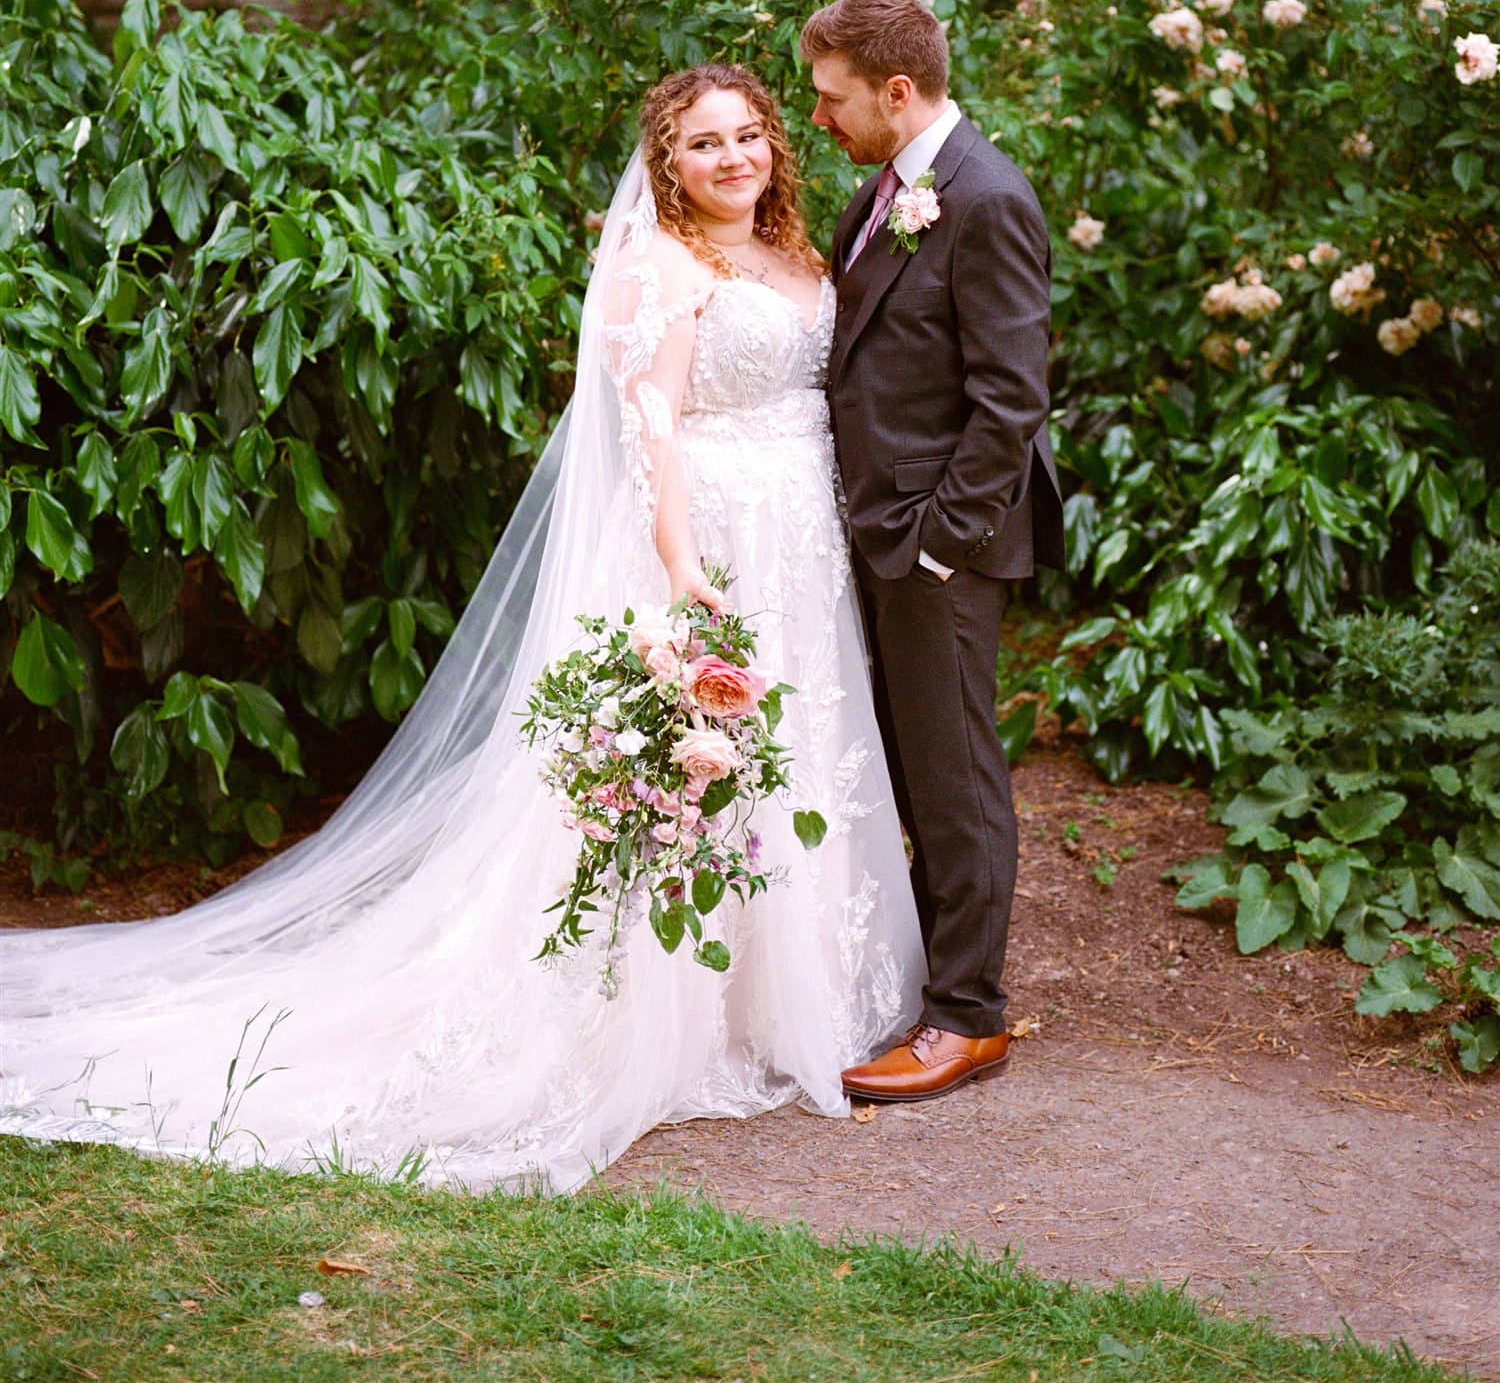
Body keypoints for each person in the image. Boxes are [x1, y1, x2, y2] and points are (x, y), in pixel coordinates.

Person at [0, 65, 921, 1192]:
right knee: (700, 761)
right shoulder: (658, 269)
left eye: (747, 136)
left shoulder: (802, 255)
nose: (732, 158)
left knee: (797, 749)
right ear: (665, 166)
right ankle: (668, 1014)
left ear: (774, 142)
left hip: (802, 540)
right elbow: (655, 433)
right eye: (701, 144)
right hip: (714, 540)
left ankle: (787, 996)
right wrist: (682, 566)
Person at [800, 0, 1064, 1104]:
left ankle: (968, 1016)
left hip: (936, 543)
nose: (820, 118)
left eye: (833, 98)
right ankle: (933, 979)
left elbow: (1012, 400)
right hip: (884, 529)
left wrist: (939, 548)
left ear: (896, 92)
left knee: (955, 772)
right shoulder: (896, 186)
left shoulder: (986, 198)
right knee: (915, 763)